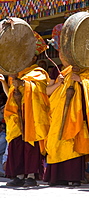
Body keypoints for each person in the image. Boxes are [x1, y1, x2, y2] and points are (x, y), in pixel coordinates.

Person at [44, 42, 89, 187]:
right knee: (55, 142)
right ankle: (57, 177)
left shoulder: (84, 72)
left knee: (73, 143)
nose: (62, 57)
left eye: (65, 54)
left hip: (76, 116)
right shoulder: (58, 72)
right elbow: (46, 92)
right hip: (57, 115)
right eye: (61, 54)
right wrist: (59, 84)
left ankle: (73, 177)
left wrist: (81, 81)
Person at [2, 32, 50, 187]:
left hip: (32, 117)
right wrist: (9, 84)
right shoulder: (16, 74)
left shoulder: (38, 73)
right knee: (17, 144)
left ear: (34, 58)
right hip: (17, 116)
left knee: (30, 146)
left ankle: (30, 176)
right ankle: (18, 175)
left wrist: (23, 85)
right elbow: (10, 95)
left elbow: (39, 90)